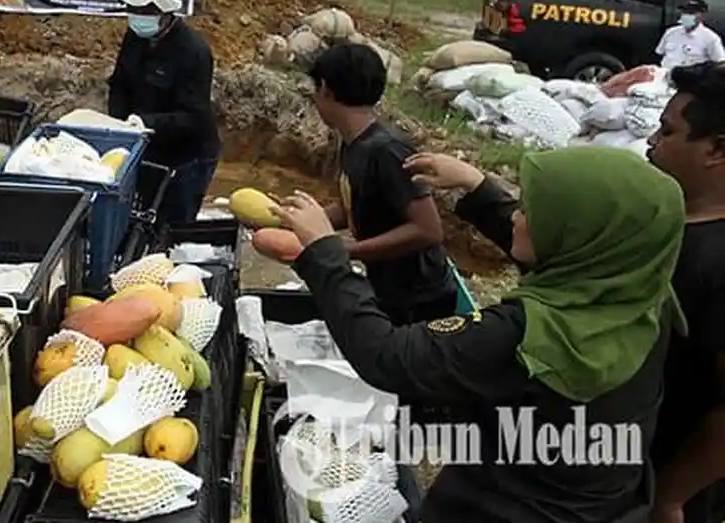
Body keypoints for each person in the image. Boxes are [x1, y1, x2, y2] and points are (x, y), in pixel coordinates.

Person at [272, 146, 685, 523]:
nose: (519, 217)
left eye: (530, 210)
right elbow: (557, 251)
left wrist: (325, 254)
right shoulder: (639, 295)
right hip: (601, 504)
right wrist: (478, 187)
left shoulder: (528, 336)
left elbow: (388, 356)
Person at [304, 43, 456, 326]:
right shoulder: (353, 143)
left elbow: (428, 230)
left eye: (315, 90)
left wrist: (346, 250)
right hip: (390, 288)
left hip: (419, 300)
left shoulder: (387, 150)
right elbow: (356, 202)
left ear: (325, 88)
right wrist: (305, 224)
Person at [645, 63, 725, 523]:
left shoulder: (715, 262)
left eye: (668, 131)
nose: (652, 142)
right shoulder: (666, 222)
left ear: (715, 149)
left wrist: (672, 493)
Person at [108, 0, 219, 225]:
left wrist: (147, 123)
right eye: (133, 10)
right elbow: (120, 84)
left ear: (166, 12)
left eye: (147, 11)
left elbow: (194, 117)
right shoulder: (134, 37)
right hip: (146, 147)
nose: (139, 17)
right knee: (142, 217)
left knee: (173, 222)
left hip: (187, 157)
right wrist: (119, 123)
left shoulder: (193, 51)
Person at [655, 0, 725, 69]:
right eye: (685, 12)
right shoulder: (671, 32)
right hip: (664, 75)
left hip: (690, 78)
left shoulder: (711, 38)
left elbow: (721, 63)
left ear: (702, 16)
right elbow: (659, 54)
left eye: (691, 13)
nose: (687, 15)